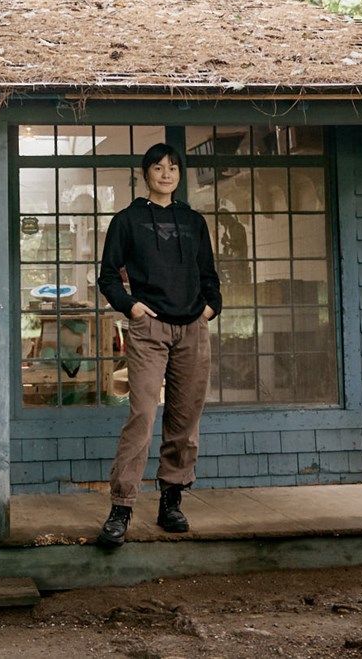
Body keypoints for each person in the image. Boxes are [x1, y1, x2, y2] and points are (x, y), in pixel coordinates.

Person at [95, 142, 221, 548]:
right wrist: (132, 308)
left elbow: (209, 276)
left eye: (172, 168)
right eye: (158, 167)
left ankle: (171, 501)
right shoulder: (127, 221)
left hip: (192, 330)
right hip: (149, 329)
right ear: (145, 173)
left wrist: (209, 310)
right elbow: (108, 277)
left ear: (179, 174)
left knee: (184, 421)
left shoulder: (193, 221)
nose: (166, 174)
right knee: (143, 418)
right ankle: (122, 506)